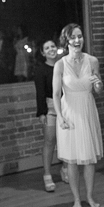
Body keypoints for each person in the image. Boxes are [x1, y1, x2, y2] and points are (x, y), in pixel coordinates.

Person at [53, 23, 103, 207]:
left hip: (87, 109)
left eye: (80, 36)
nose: (77, 40)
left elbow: (98, 89)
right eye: (73, 37)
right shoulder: (60, 65)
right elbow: (56, 94)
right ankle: (76, 198)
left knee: (89, 158)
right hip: (69, 112)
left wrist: (98, 84)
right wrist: (60, 117)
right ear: (66, 41)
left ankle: (89, 196)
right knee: (71, 159)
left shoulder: (92, 61)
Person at [33, 39, 65, 192]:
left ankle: (66, 169)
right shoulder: (40, 69)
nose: (51, 49)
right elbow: (39, 92)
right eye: (47, 48)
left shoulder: (63, 65)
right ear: (42, 52)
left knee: (66, 139)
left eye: (53, 46)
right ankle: (47, 175)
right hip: (50, 106)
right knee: (50, 140)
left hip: (66, 105)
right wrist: (42, 112)